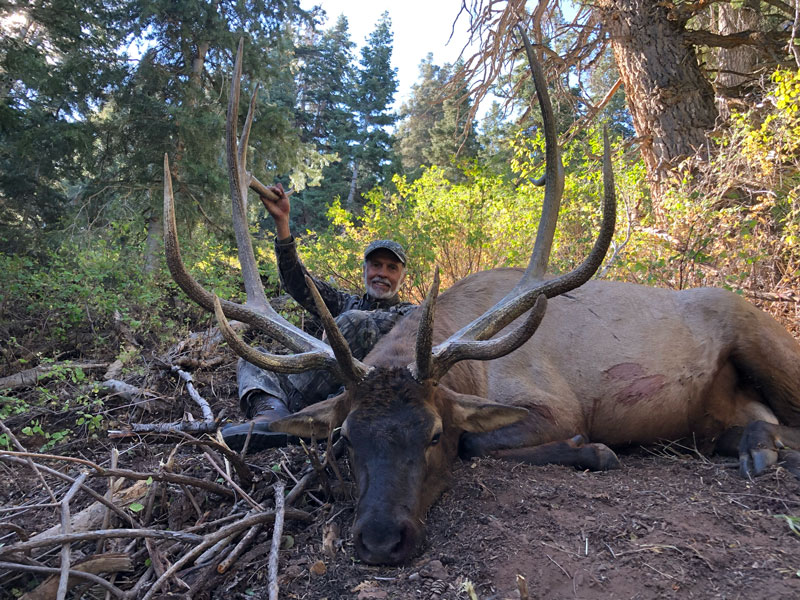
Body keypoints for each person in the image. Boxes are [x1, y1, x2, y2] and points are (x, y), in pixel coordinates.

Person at [221, 183, 416, 452]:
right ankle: (272, 415)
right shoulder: (344, 302)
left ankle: (316, 420)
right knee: (255, 357)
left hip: (352, 398)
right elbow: (298, 283)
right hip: (305, 386)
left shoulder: (409, 314)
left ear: (402, 277)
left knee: (357, 322)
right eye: (376, 265)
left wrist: (343, 324)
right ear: (365, 269)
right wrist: (282, 223)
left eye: (391, 268)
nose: (382, 273)